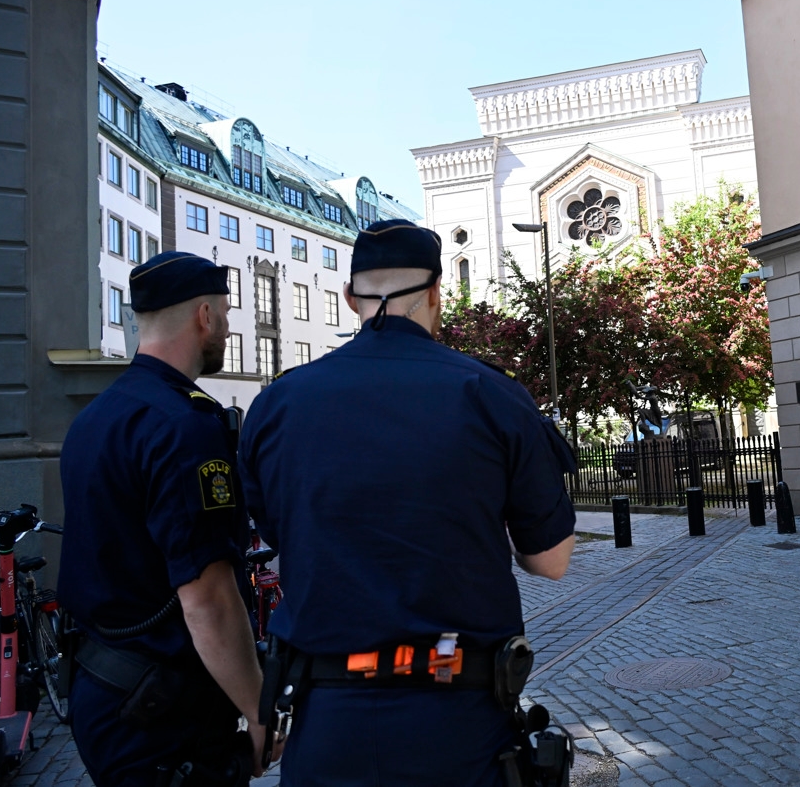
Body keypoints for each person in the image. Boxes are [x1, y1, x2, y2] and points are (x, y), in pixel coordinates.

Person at [239, 219, 576, 786]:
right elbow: (551, 561)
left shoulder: (278, 404)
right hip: (455, 718)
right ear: (436, 292)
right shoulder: (490, 394)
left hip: (328, 721)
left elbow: (279, 532)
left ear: (350, 297)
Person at [59, 252, 274, 786]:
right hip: (162, 716)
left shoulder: (97, 416)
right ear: (204, 315)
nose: (227, 328)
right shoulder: (184, 425)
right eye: (225, 314)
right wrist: (258, 712)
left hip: (106, 692)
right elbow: (208, 599)